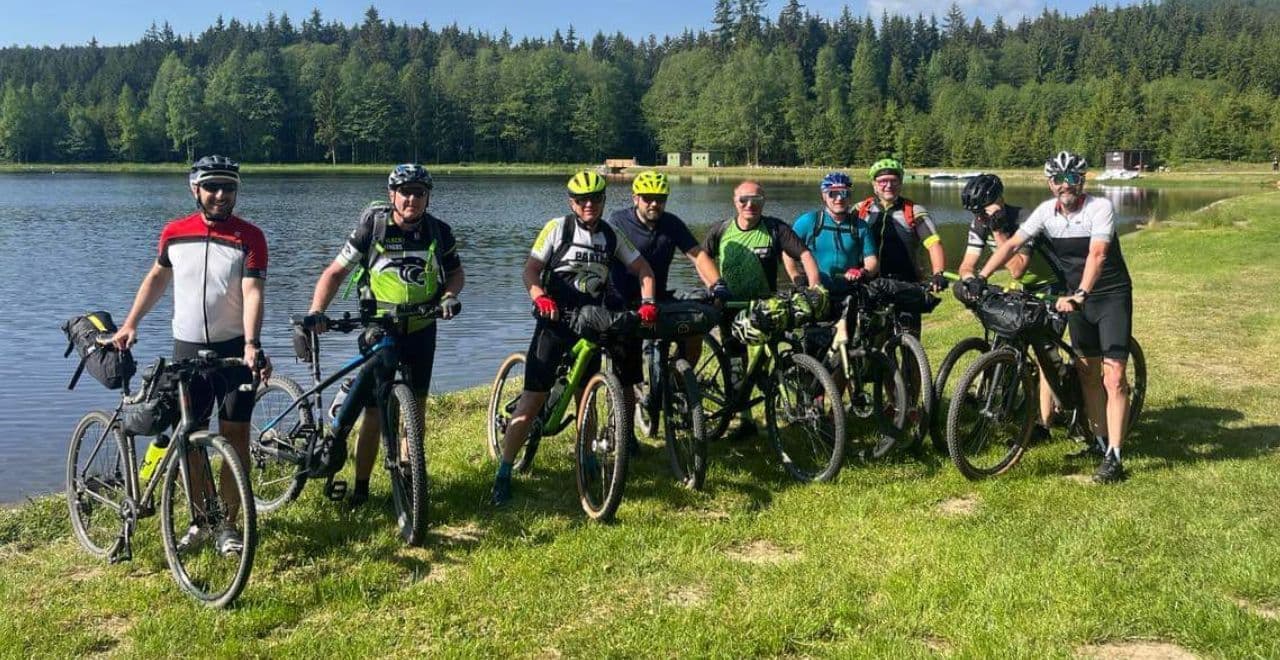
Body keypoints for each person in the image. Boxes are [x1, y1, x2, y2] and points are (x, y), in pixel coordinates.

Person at [112, 155, 270, 554]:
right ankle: (201, 521)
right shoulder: (174, 233)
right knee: (191, 439)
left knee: (235, 438)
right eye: (212, 187)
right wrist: (131, 324)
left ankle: (229, 526)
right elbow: (157, 278)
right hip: (187, 350)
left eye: (229, 187)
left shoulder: (250, 236)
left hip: (234, 350)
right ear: (195, 189)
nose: (221, 195)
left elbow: (253, 291)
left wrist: (252, 343)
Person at [491, 171, 657, 506]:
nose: (589, 205)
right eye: (582, 200)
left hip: (591, 324)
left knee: (587, 398)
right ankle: (504, 472)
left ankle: (587, 459)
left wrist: (649, 303)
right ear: (572, 202)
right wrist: (540, 297)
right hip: (555, 321)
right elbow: (530, 270)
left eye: (595, 198)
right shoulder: (558, 228)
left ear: (603, 201)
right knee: (532, 400)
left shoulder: (611, 236)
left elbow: (644, 270)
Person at [305, 164, 465, 507]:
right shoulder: (372, 229)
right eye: (405, 192)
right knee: (375, 413)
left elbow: (455, 274)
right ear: (392, 194)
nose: (412, 199)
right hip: (381, 328)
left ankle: (411, 477)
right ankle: (361, 488)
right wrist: (317, 310)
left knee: (415, 410)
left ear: (427, 197)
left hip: (423, 327)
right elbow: (334, 273)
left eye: (419, 193)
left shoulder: (439, 231)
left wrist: (450, 296)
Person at [972, 151, 1135, 483]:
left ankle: (1115, 456)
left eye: (1072, 178)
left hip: (1108, 296)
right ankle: (1099, 442)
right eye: (1057, 179)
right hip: (1073, 298)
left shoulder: (1099, 208)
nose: (1065, 185)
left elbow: (1098, 253)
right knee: (1088, 374)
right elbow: (1011, 246)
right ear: (1049, 182)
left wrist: (1083, 293)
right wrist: (981, 276)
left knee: (1114, 376)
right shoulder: (1046, 212)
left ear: (1083, 179)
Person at [604, 170, 728, 449]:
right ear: (635, 197)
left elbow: (697, 255)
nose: (654, 204)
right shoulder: (617, 222)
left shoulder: (671, 224)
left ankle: (675, 380)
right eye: (648, 198)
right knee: (627, 368)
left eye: (660, 199)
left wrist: (717, 283)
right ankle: (625, 432)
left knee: (695, 325)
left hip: (658, 298)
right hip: (623, 302)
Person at [702, 180, 824, 436]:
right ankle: (744, 419)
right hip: (730, 307)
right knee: (736, 363)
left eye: (756, 200)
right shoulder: (721, 230)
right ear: (734, 201)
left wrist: (814, 288)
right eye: (744, 200)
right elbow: (701, 259)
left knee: (763, 359)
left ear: (764, 201)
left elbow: (805, 255)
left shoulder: (775, 228)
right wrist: (714, 286)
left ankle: (773, 400)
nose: (750, 205)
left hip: (764, 308)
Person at [957, 173, 1066, 443]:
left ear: (998, 201)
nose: (979, 218)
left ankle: (1044, 425)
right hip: (1028, 289)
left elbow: (1017, 269)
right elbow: (967, 264)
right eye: (975, 213)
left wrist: (998, 229)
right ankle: (1007, 401)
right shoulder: (980, 222)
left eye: (982, 211)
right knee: (1010, 342)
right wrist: (971, 280)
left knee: (1044, 355)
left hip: (1055, 287)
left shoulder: (1024, 219)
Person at [857, 158, 947, 335]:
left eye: (893, 180)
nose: (888, 185)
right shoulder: (861, 210)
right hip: (870, 285)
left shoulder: (913, 211)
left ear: (900, 183)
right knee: (871, 346)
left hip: (905, 284)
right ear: (874, 185)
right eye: (883, 181)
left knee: (909, 344)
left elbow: (933, 243)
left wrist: (938, 273)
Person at [784, 171, 879, 293]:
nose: (839, 199)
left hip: (849, 291)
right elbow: (787, 253)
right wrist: (797, 278)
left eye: (844, 193)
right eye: (832, 194)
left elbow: (872, 261)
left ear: (850, 196)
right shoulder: (808, 221)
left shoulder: (860, 226)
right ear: (824, 196)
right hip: (814, 290)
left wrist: (862, 272)